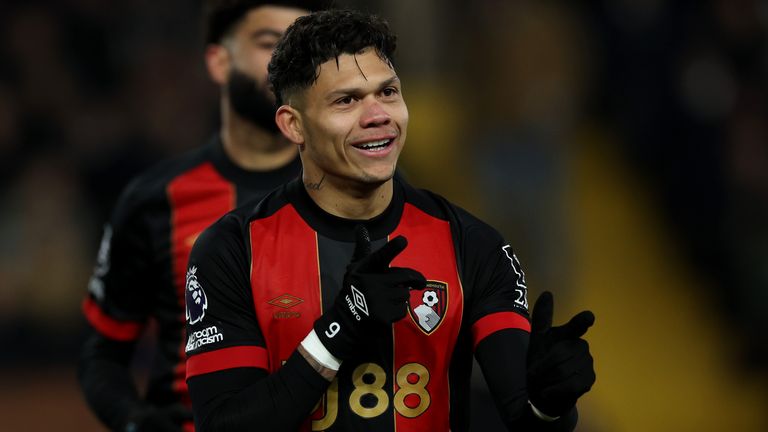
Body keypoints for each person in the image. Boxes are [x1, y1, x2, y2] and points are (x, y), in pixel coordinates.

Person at [184, 9, 596, 431]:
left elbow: (526, 418)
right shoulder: (233, 250)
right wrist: (343, 324)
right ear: (294, 125)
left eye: (388, 93)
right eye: (346, 100)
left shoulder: (474, 245)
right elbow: (223, 424)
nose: (377, 115)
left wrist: (550, 403)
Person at [77, 2, 326, 431]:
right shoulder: (154, 199)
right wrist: (135, 420)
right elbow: (104, 353)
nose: (289, 60)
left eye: (303, 46)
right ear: (218, 61)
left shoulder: (357, 187)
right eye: (270, 42)